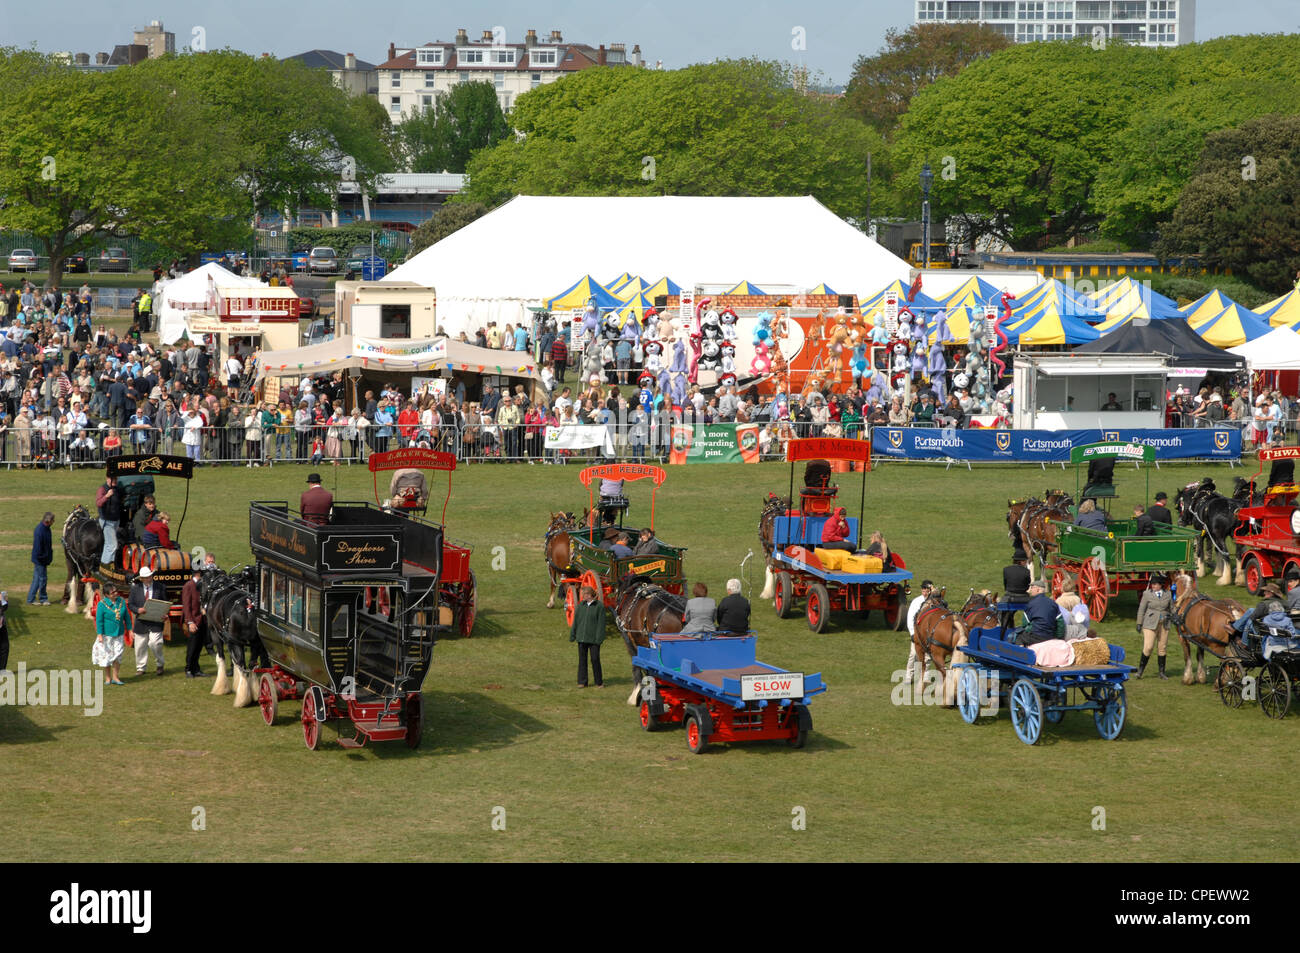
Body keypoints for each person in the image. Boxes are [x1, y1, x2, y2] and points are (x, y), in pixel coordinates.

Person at [129, 566, 167, 676]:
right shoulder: (135, 589)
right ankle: (141, 668)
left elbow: (165, 602)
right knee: (140, 646)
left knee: (156, 643)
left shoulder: (160, 587)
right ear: (141, 579)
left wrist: (165, 614)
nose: (148, 579)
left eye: (149, 576)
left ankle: (160, 664)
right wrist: (137, 610)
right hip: (141, 621)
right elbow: (131, 604)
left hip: (156, 620)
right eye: (145, 577)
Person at [1135, 573, 1173, 679]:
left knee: (1162, 648)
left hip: (1164, 624)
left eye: (1155, 584)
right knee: (1148, 647)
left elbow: (1171, 608)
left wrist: (1175, 616)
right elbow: (1141, 609)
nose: (1153, 586)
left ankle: (1161, 672)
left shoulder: (1168, 594)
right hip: (1149, 624)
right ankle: (1140, 671)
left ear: (1161, 585)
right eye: (1152, 584)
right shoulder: (1147, 594)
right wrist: (1139, 623)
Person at [569, 585, 606, 688]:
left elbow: (601, 624)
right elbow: (575, 622)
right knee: (582, 660)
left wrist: (599, 639)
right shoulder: (581, 606)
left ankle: (599, 682)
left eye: (584, 594)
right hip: (581, 638)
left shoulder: (599, 606)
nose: (582, 596)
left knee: (595, 660)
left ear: (589, 595)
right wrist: (573, 634)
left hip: (594, 640)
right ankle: (582, 682)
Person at [93, 585, 129, 685]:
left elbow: (126, 616)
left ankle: (116, 677)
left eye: (116, 591)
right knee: (107, 656)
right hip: (106, 635)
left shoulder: (121, 601)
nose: (116, 593)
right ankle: (108, 678)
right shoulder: (101, 604)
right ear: (106, 595)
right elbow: (99, 621)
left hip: (119, 633)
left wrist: (129, 630)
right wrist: (100, 634)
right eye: (113, 592)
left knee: (118, 655)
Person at [904, 580, 935, 688]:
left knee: (927, 656)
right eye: (923, 589)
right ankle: (909, 675)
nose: (925, 592)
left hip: (928, 635)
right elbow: (910, 618)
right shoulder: (916, 601)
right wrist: (912, 633)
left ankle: (925, 676)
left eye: (927, 590)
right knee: (913, 655)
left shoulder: (934, 602)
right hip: (917, 633)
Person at [1016, 581, 1063, 647]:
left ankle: (1022, 655)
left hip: (1036, 636)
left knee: (1017, 637)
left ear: (1038, 590)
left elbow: (1025, 624)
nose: (1030, 590)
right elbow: (1060, 623)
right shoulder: (1053, 603)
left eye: (1032, 588)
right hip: (1050, 636)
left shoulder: (1031, 604)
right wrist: (1059, 637)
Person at [181, 570, 208, 678]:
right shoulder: (189, 585)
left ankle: (196, 669)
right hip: (194, 620)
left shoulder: (202, 585)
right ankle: (188, 668)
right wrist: (190, 622)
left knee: (199, 646)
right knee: (192, 646)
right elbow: (186, 606)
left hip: (202, 619)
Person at [95, 473, 125, 566]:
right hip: (107, 521)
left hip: (115, 520)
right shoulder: (102, 489)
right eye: (113, 479)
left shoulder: (117, 489)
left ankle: (109, 564)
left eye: (116, 478)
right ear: (107, 479)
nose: (115, 481)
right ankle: (105, 565)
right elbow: (99, 503)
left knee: (109, 544)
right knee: (112, 545)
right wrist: (107, 496)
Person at [28, 511, 54, 606]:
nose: (53, 522)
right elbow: (38, 548)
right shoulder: (40, 530)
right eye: (53, 520)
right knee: (42, 579)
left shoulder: (46, 529)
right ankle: (43, 598)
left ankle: (31, 598)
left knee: (37, 578)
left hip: (43, 559)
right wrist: (43, 558)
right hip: (40, 560)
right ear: (48, 521)